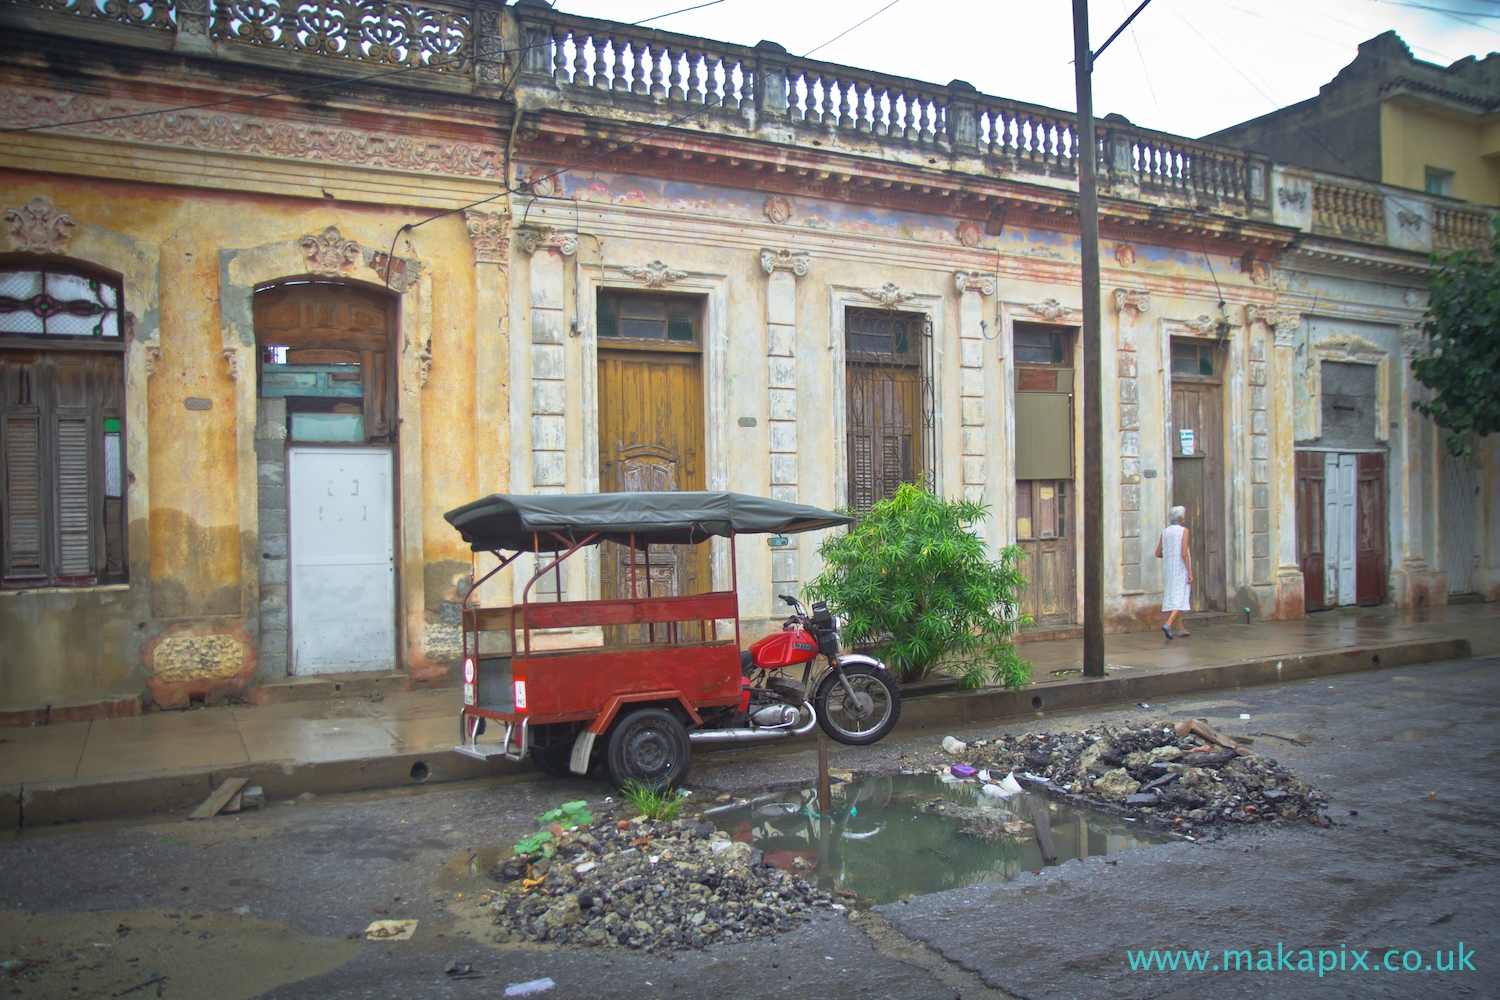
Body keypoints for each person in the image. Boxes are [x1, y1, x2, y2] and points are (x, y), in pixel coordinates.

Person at [1155, 506, 1192, 639]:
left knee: (1174, 597)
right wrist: (1189, 571)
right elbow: (1184, 553)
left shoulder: (1165, 532)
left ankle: (1181, 629)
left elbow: (1158, 553)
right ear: (1182, 518)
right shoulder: (1184, 531)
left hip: (1170, 569)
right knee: (1181, 597)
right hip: (1180, 568)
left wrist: (1170, 554)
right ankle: (1169, 624)